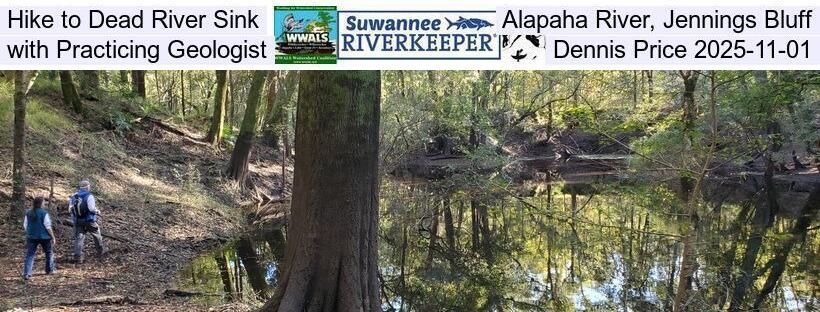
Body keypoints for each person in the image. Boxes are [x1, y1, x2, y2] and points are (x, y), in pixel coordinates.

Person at [69, 180, 106, 264]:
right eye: (89, 186)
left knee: (79, 238)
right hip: (89, 220)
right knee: (97, 234)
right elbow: (91, 208)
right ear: (87, 187)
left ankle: (78, 257)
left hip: (78, 220)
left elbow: (70, 208)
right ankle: (100, 252)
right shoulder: (89, 196)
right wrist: (97, 211)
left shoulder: (74, 196)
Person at [23, 197, 56, 280]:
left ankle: (27, 273)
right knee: (49, 253)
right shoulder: (44, 213)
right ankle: (50, 270)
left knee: (30, 255)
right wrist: (53, 237)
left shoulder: (28, 213)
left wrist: (30, 232)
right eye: (44, 202)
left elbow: (25, 225)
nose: (44, 204)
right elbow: (48, 226)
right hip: (44, 237)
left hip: (31, 237)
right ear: (41, 204)